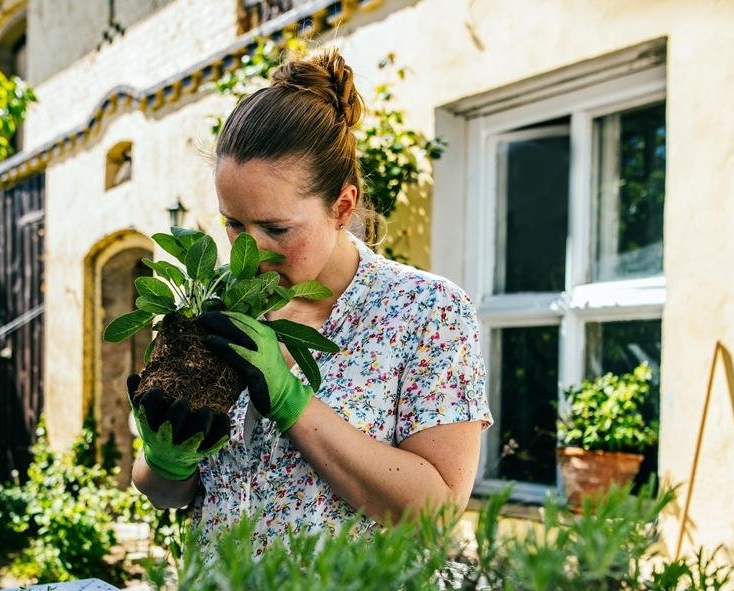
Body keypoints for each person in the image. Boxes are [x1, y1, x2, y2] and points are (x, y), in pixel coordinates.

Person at [130, 47, 491, 556]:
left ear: (342, 207)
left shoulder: (426, 311)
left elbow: (434, 513)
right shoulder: (218, 310)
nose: (248, 250)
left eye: (276, 228)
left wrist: (292, 402)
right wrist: (167, 456)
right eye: (233, 223)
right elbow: (164, 493)